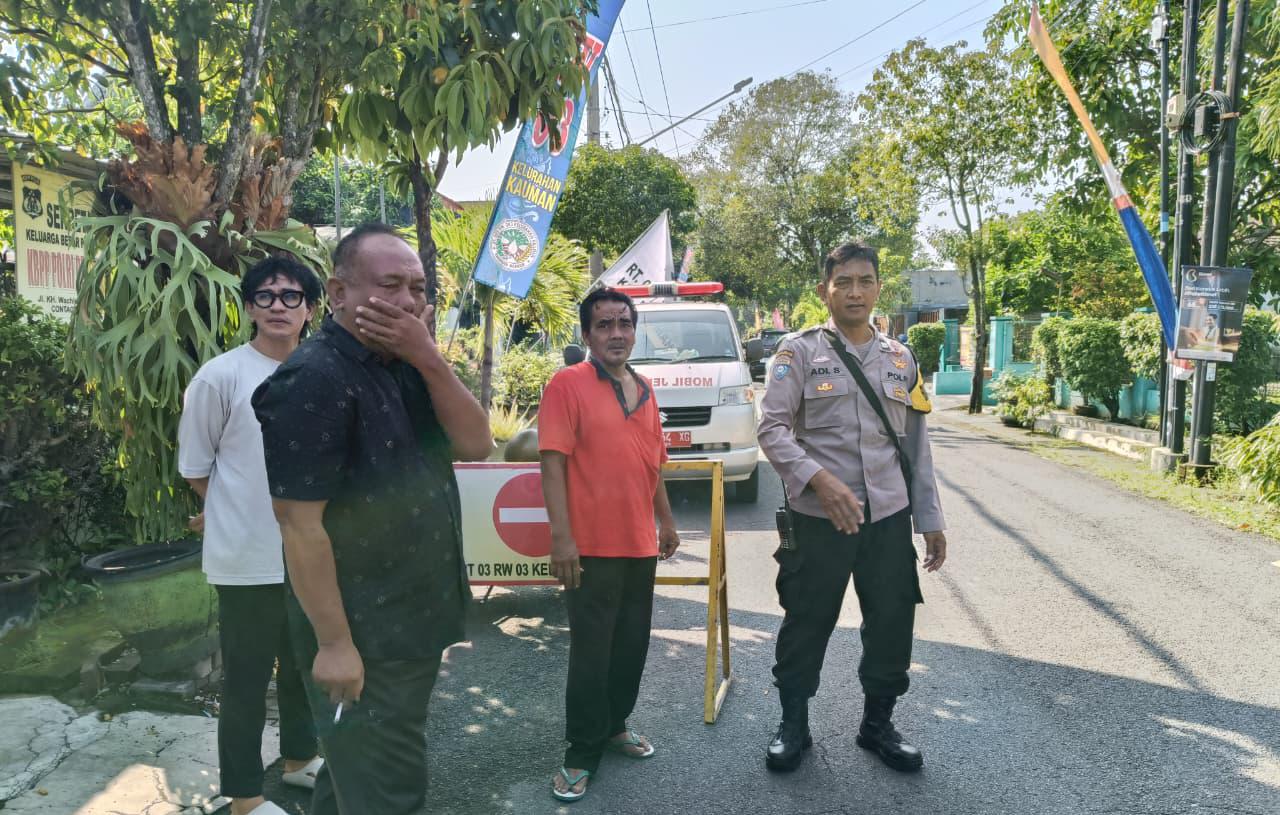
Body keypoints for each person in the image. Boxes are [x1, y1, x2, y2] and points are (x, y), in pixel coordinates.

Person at [251, 223, 493, 815]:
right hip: (363, 632)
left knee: (357, 770)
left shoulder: (409, 362)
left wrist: (430, 356)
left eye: (417, 287)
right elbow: (299, 526)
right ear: (337, 292)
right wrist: (334, 645)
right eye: (391, 285)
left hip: (414, 618)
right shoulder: (313, 378)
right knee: (390, 784)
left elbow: (477, 444)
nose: (409, 302)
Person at [758, 242, 948, 775]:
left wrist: (929, 520)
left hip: (886, 521)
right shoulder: (797, 355)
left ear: (878, 288)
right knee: (807, 622)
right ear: (826, 290)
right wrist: (818, 481)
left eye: (865, 280)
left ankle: (877, 724)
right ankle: (793, 724)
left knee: (891, 624)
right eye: (845, 282)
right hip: (819, 522)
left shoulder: (900, 358)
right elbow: (771, 429)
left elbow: (916, 447)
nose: (856, 291)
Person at [177, 256, 325, 815]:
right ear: (249, 307)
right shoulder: (221, 376)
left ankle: (299, 759)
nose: (279, 306)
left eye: (292, 296)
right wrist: (234, 513)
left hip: (310, 552)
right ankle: (243, 796)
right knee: (246, 677)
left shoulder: (320, 371)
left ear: (311, 307)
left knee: (303, 662)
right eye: (266, 296)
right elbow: (197, 468)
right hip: (246, 557)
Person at [538, 287, 680, 803]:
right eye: (604, 324)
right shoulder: (567, 385)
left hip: (639, 543)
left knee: (631, 646)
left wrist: (665, 521)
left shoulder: (644, 389)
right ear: (587, 334)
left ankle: (616, 725)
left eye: (624, 323)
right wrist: (561, 538)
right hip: (590, 546)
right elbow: (551, 462)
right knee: (591, 652)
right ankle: (580, 752)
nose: (616, 333)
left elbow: (653, 463)